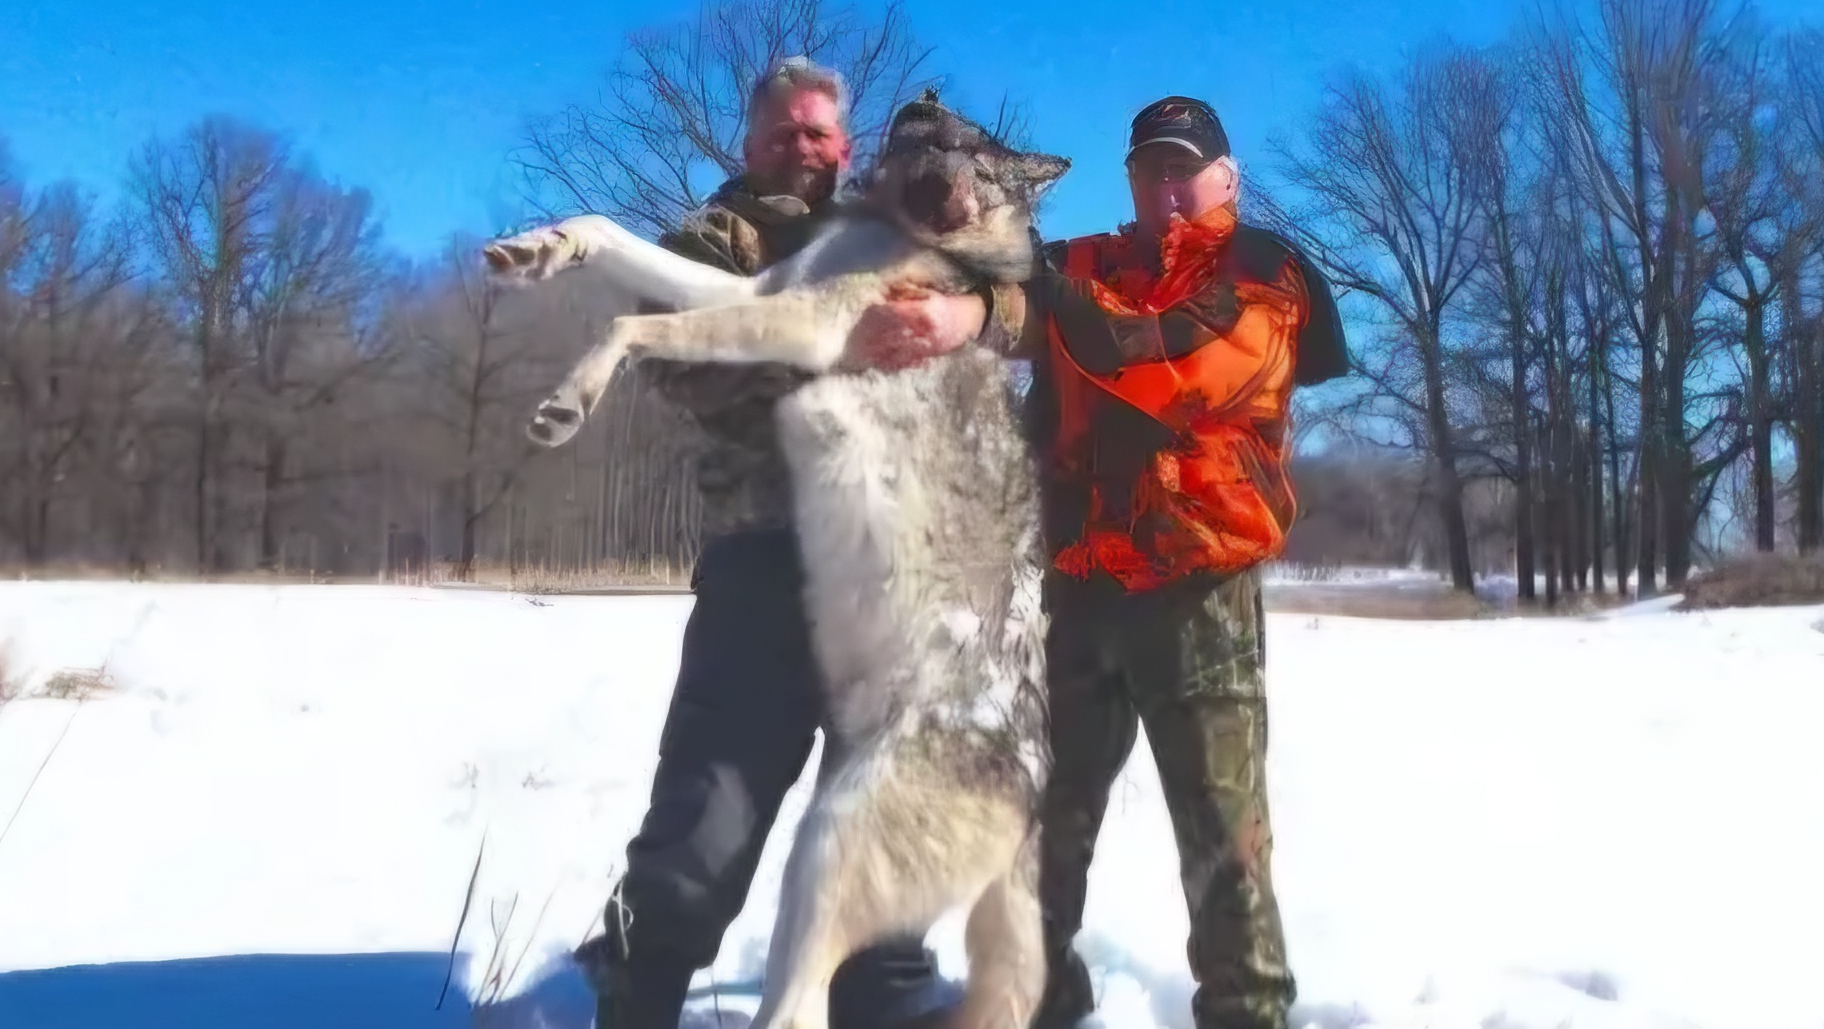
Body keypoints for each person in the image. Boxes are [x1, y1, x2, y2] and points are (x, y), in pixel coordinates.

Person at [867, 96, 1349, 1029]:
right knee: (1043, 821)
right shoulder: (1084, 263)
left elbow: (1168, 365)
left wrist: (1033, 295)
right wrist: (961, 278)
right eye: (1149, 169)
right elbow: (1001, 297)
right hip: (1079, 590)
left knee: (1223, 839)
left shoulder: (1266, 272)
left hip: (1198, 599)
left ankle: (1246, 1012)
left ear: (1227, 179)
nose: (1166, 188)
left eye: (1184, 169)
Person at [569, 56, 1028, 1029]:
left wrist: (971, 314)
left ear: (846, 147)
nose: (801, 148)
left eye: (818, 133)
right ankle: (638, 987)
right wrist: (832, 342)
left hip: (896, 568)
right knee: (711, 806)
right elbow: (682, 367)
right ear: (750, 141)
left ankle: (882, 998)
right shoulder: (716, 237)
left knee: (887, 794)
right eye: (783, 132)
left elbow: (1023, 288)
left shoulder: (897, 218)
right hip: (766, 559)